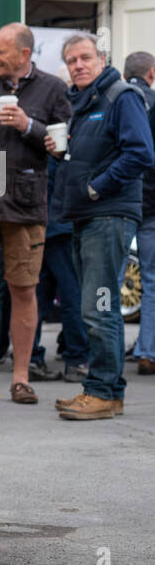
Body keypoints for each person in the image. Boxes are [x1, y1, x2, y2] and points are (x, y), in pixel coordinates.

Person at [50, 33, 155, 419]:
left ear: (102, 58)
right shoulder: (85, 101)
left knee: (100, 305)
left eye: (85, 57)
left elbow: (141, 153)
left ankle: (104, 393)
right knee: (95, 304)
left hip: (108, 214)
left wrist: (96, 188)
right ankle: (103, 388)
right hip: (87, 215)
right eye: (71, 59)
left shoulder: (120, 95)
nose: (78, 64)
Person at [0, 22, 74, 404]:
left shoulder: (53, 88)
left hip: (26, 202)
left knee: (23, 288)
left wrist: (28, 125)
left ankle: (20, 377)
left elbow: (63, 146)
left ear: (23, 54)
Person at [31, 156, 89, 382]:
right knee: (72, 294)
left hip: (42, 225)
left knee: (37, 297)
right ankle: (77, 359)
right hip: (61, 227)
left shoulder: (37, 140)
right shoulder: (62, 145)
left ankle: (32, 358)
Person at [123, 50, 155, 376]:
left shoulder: (117, 99)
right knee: (152, 281)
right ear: (152, 72)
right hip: (152, 206)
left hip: (119, 203)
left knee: (110, 280)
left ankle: (104, 353)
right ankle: (148, 351)